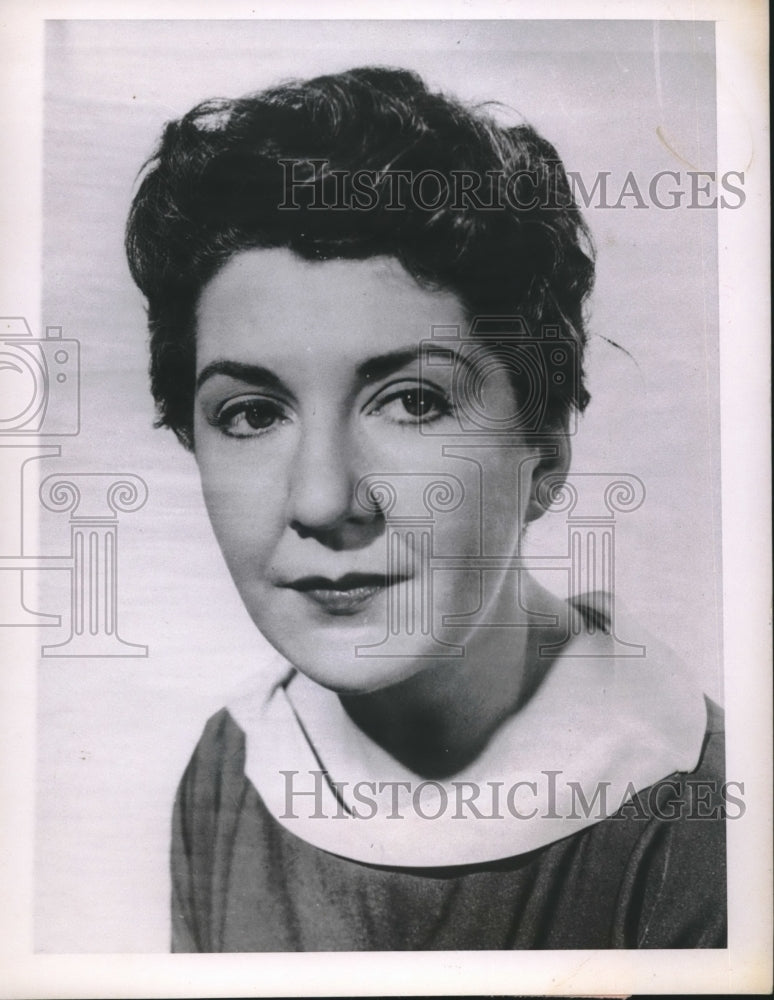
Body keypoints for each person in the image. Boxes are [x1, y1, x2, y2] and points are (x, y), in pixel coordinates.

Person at [125, 66, 726, 951]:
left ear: (544, 453)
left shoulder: (704, 816)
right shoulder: (233, 768)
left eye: (413, 402)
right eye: (252, 414)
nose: (325, 500)